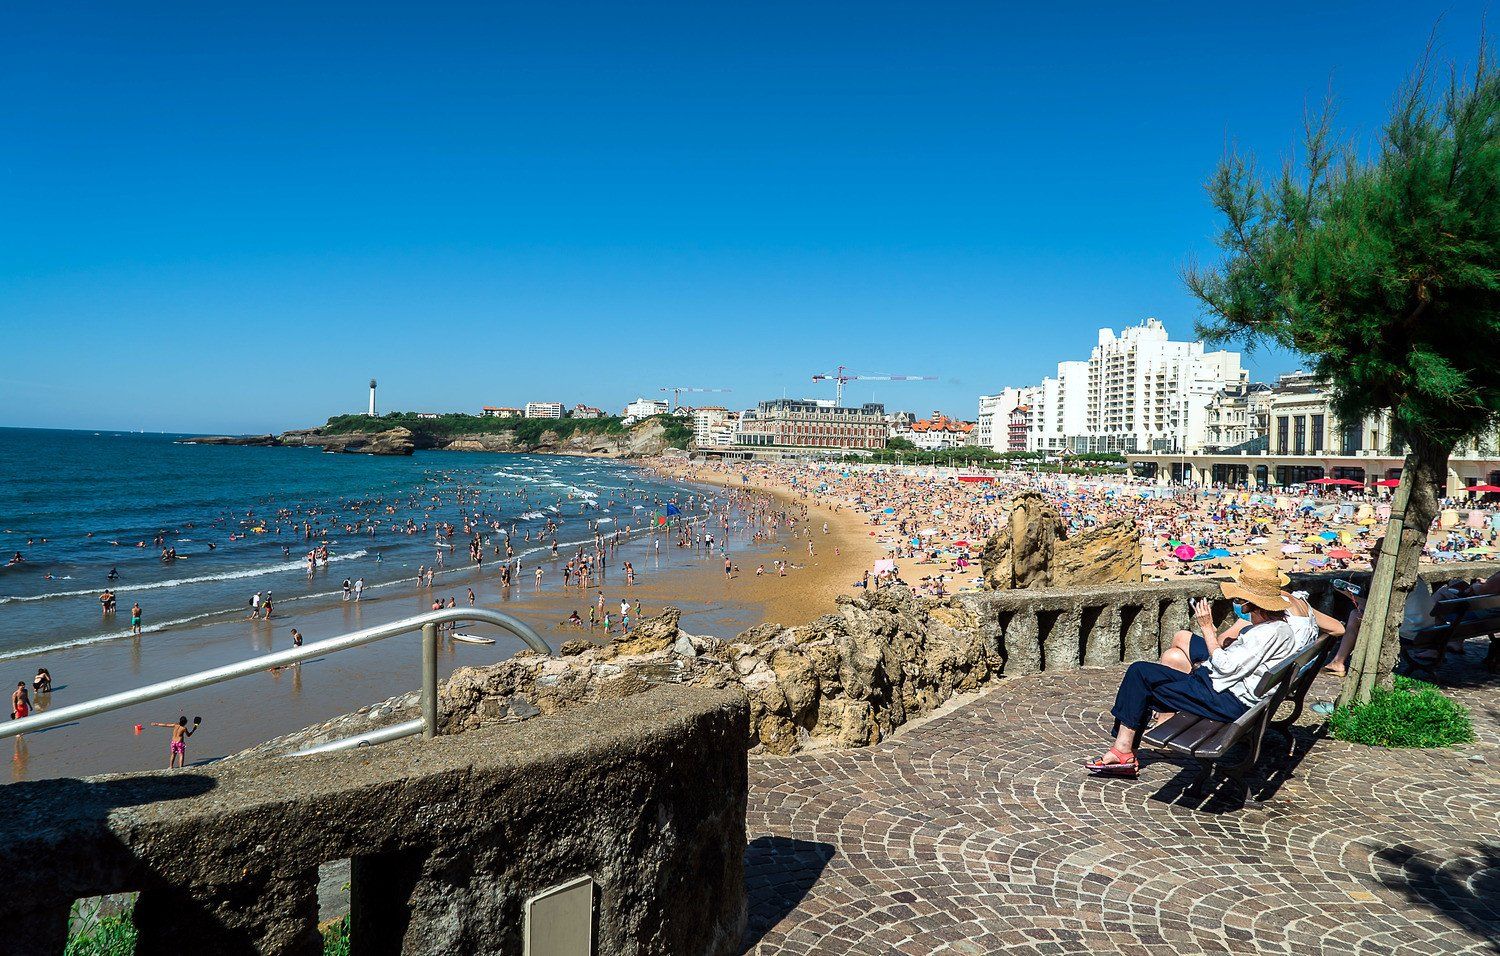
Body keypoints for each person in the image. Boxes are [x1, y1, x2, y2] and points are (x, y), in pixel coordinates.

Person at [1085, 555, 1303, 777]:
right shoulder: (1280, 629)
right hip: (1232, 694)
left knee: (1140, 677)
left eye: (1240, 597)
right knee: (1141, 674)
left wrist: (1208, 628)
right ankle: (1123, 751)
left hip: (1227, 701)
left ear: (1250, 602)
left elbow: (1227, 668)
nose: (1237, 600)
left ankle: (1122, 752)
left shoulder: (1265, 633)